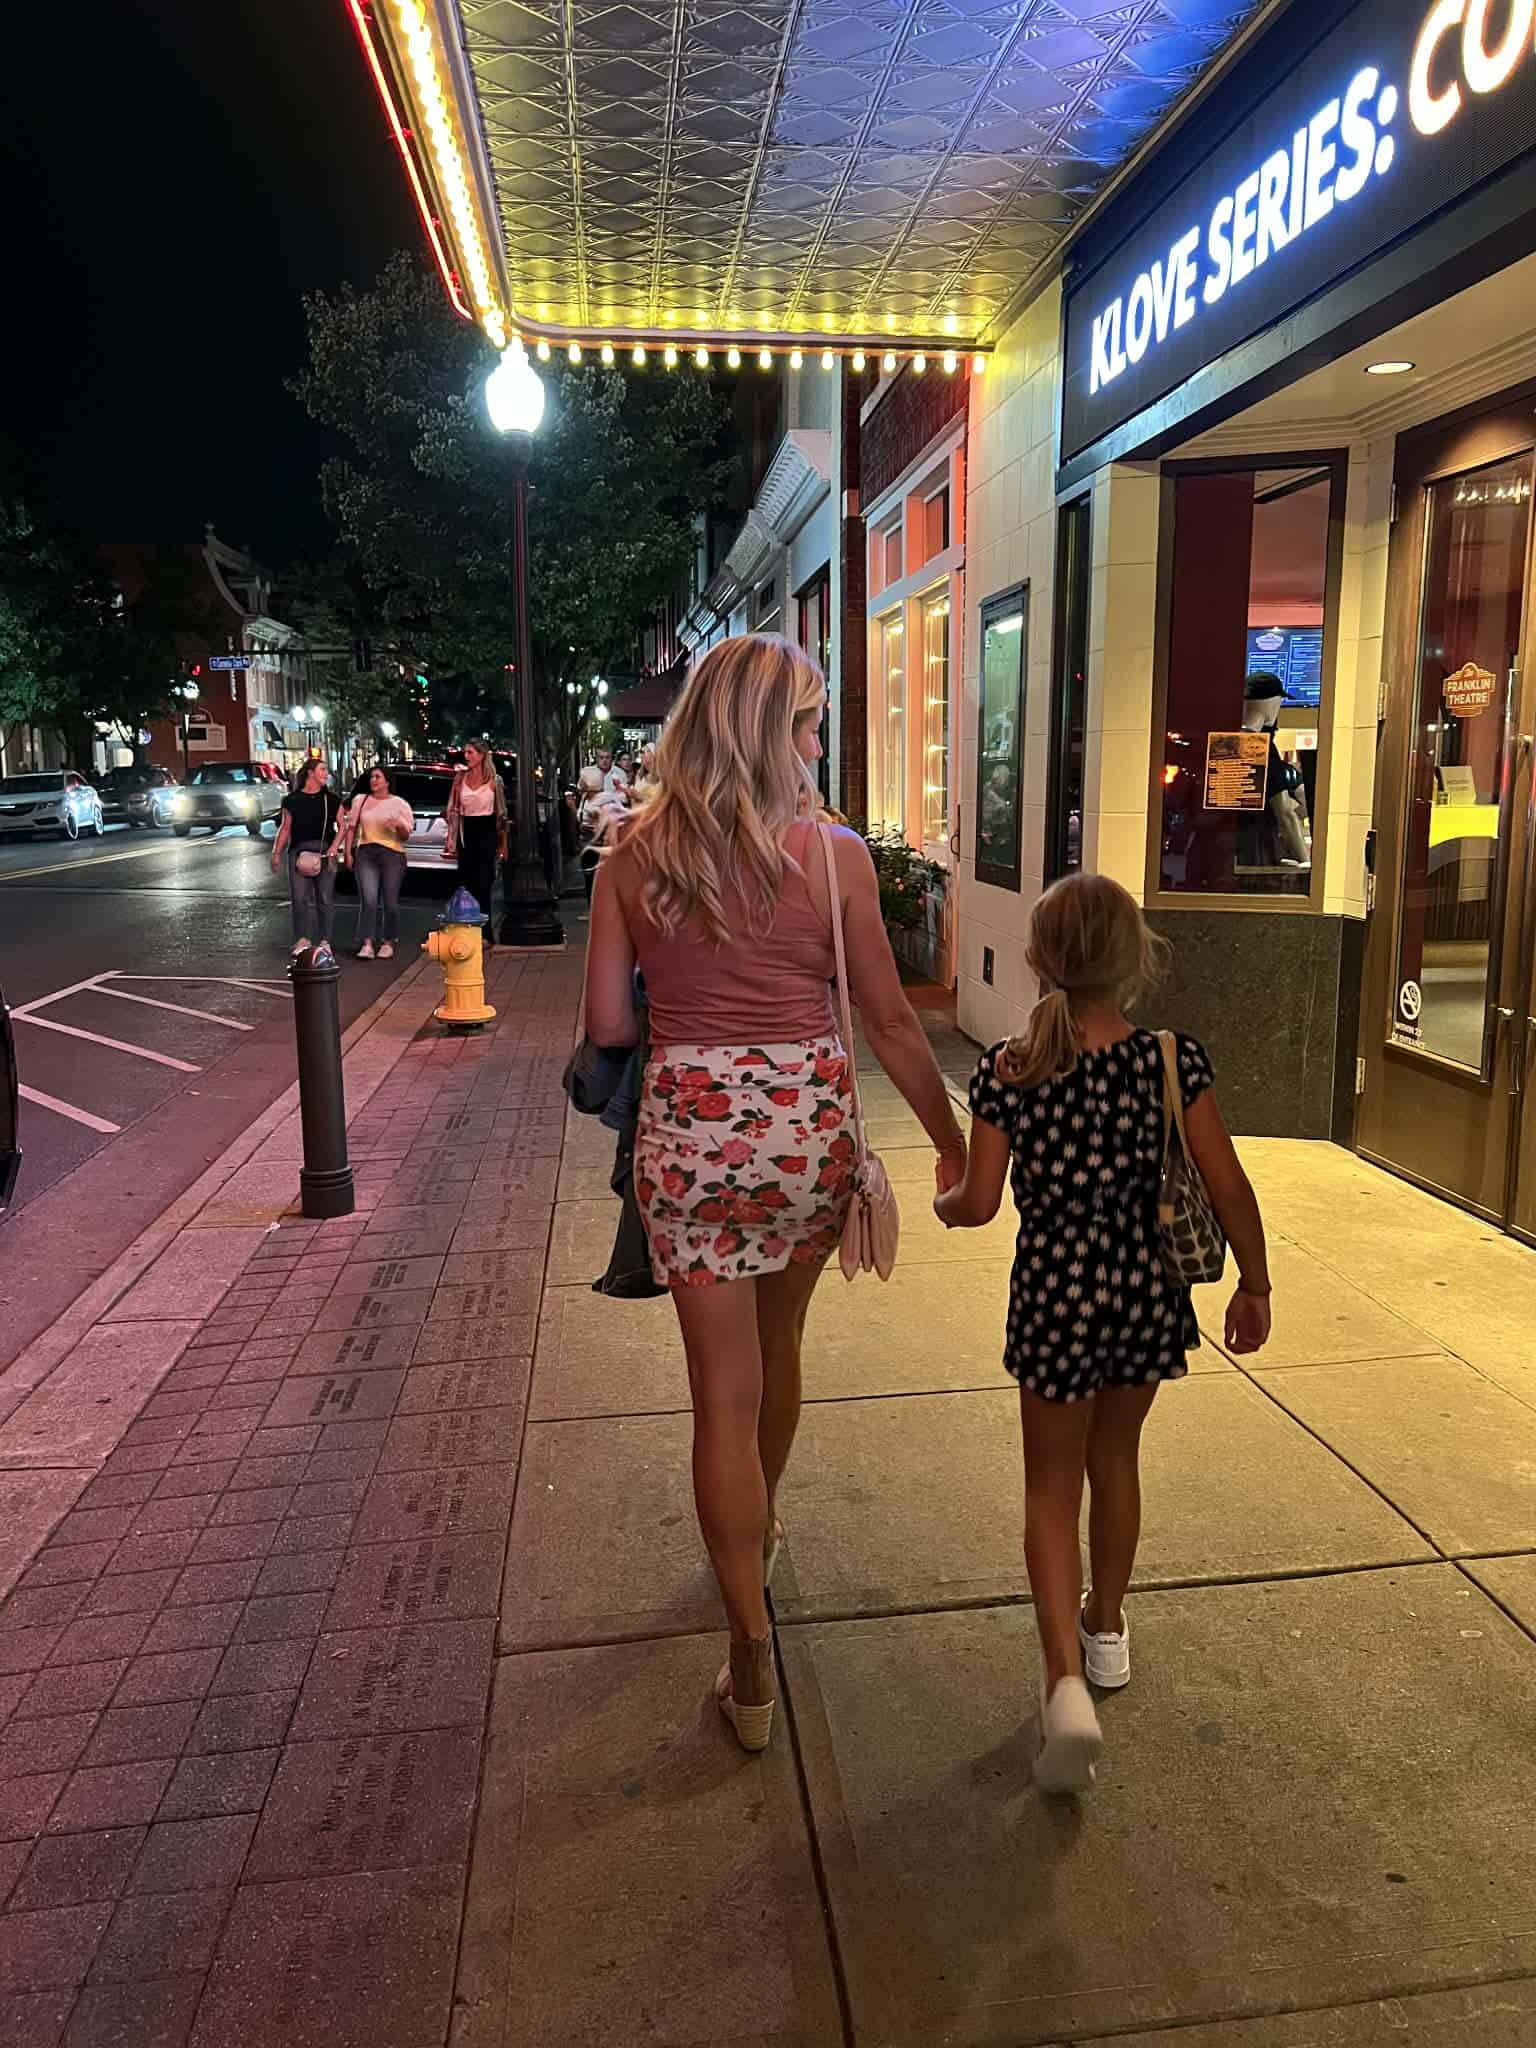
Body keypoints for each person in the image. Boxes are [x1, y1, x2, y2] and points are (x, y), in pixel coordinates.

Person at [585, 632, 967, 1752]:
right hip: (806, 1140)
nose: (816, 741)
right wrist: (952, 1144)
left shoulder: (629, 857)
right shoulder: (833, 854)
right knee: (781, 1353)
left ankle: (747, 1646)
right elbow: (893, 1020)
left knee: (720, 1393)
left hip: (691, 1145)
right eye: (807, 722)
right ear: (766, 732)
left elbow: (609, 1028)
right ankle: (764, 1528)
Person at [935, 873, 1271, 1795]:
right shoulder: (1172, 1060)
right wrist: (1255, 1281)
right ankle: (1108, 1625)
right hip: (1146, 1293)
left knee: (1050, 1487)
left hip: (1054, 1296)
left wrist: (942, 1196)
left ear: (1040, 959)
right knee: (1114, 1462)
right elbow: (1228, 1181)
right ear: (1134, 960)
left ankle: (1062, 1684)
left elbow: (976, 1204)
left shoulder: (1010, 1069)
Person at [271, 758, 343, 955]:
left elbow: (342, 826)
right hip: (298, 852)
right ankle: (302, 939)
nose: (326, 773)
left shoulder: (332, 799)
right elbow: (286, 828)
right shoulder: (292, 800)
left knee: (325, 899)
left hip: (324, 853)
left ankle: (325, 941)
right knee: (299, 899)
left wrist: (334, 847)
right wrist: (276, 853)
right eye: (322, 769)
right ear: (311, 773)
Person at [342, 765, 414, 959]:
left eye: (378, 777)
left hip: (392, 854)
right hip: (366, 852)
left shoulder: (400, 804)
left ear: (387, 781)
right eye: (372, 777)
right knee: (369, 899)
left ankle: (388, 941)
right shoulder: (361, 800)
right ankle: (367, 943)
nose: (373, 780)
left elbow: (406, 835)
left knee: (390, 901)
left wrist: (399, 825)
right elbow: (351, 827)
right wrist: (348, 852)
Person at [443, 740, 507, 938]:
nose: (467, 756)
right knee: (467, 883)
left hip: (486, 831)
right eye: (466, 752)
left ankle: (486, 932)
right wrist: (451, 837)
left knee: (484, 883)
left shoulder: (494, 781)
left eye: (470, 752)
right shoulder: (459, 778)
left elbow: (501, 815)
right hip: (466, 831)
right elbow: (452, 809)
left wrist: (504, 844)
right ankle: (469, 929)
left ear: (481, 755)